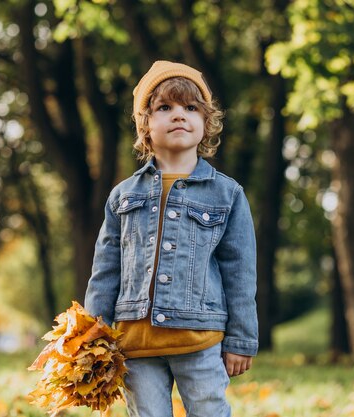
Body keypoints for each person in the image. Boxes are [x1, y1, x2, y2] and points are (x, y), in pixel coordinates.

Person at [84, 60, 258, 417]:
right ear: (145, 124)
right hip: (136, 341)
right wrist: (92, 336)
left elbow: (240, 271)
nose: (179, 115)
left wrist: (241, 339)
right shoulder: (122, 196)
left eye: (190, 108)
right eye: (165, 107)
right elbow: (105, 268)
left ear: (206, 123)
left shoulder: (227, 195)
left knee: (209, 410)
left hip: (199, 340)